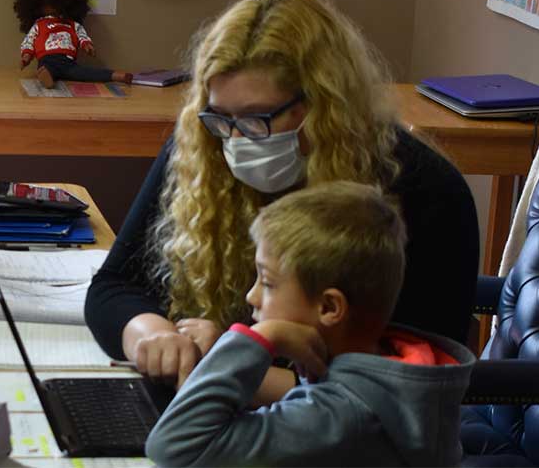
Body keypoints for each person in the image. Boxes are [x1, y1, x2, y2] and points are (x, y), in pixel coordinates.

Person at [84, 0, 479, 401]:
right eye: (223, 118)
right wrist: (151, 335)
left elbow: (413, 390)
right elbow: (114, 286)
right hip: (226, 406)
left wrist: (229, 366)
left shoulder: (426, 192)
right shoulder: (207, 144)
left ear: (324, 105)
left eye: (256, 119)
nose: (235, 140)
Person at [145, 181, 476, 466]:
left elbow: (173, 447)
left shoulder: (339, 416)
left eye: (267, 281)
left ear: (330, 307)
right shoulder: (385, 374)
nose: (252, 296)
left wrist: (260, 338)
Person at [12, 0, 132, 88]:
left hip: (68, 62)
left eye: (57, 2)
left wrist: (86, 44)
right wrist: (26, 56)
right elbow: (29, 40)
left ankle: (117, 76)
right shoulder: (38, 25)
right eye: (47, 2)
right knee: (48, 69)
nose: (52, 7)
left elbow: (81, 35)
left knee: (85, 73)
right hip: (47, 60)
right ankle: (46, 77)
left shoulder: (72, 24)